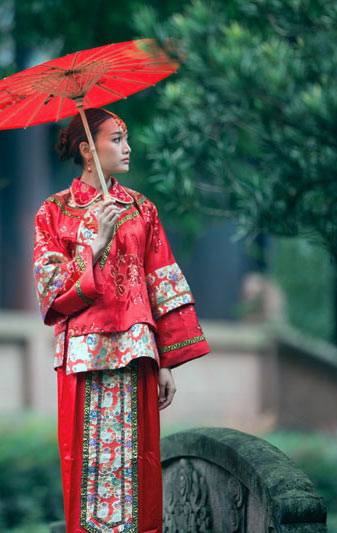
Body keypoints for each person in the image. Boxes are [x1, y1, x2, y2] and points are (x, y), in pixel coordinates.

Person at [33, 107, 210, 533]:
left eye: (126, 138)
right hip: (83, 355)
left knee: (140, 463)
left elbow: (161, 280)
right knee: (84, 462)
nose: (127, 147)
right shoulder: (54, 211)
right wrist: (91, 249)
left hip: (137, 354)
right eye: (117, 139)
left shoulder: (141, 210)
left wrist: (167, 360)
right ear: (87, 150)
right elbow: (49, 291)